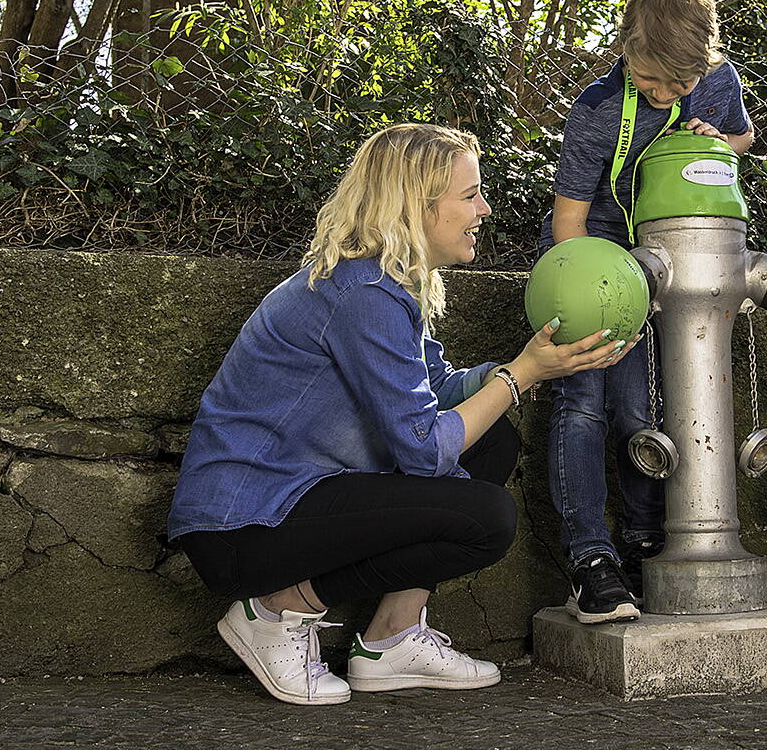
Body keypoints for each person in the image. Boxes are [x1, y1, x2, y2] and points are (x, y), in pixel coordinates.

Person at [167, 123, 627, 706]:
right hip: (246, 523)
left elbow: (439, 391)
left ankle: (391, 640)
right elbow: (423, 448)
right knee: (486, 519)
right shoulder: (363, 292)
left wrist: (532, 365)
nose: (485, 209)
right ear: (416, 204)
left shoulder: (390, 283)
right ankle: (275, 611)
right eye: (470, 195)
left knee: (492, 444)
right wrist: (520, 375)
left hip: (298, 498)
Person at [540, 0, 756, 623]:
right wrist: (602, 301)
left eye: (677, 87)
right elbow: (569, 223)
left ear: (705, 63)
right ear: (626, 49)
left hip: (677, 247)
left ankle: (640, 540)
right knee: (583, 399)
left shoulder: (719, 81)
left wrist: (721, 140)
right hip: (600, 255)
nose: (662, 95)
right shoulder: (597, 108)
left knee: (644, 404)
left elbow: (743, 139)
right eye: (650, 82)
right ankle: (590, 560)